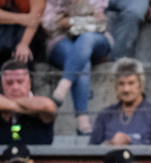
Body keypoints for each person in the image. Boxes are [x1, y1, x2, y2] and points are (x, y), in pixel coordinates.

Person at [43, 0, 113, 136]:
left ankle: (62, 87)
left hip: (95, 38)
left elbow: (100, 22)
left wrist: (69, 21)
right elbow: (49, 24)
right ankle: (82, 122)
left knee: (86, 38)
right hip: (60, 38)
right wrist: (83, 20)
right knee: (82, 62)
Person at [90, 57, 151, 145]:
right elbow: (92, 151)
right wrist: (108, 144)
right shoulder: (105, 115)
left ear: (141, 85)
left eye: (131, 83)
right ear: (116, 87)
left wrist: (131, 141)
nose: (126, 89)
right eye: (121, 84)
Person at [0, 60, 57, 145]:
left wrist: (12, 105)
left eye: (20, 81)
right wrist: (24, 109)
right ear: (2, 84)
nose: (15, 87)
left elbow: (48, 105)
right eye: (9, 83)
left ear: (29, 82)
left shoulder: (40, 105)